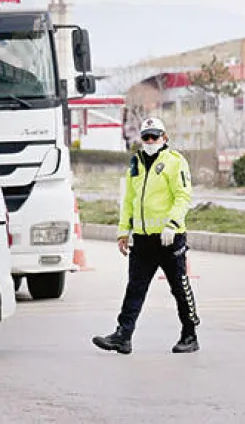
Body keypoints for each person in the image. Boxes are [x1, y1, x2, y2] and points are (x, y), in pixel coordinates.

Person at [93, 117, 200, 355]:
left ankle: (190, 334)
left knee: (179, 287)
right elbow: (129, 200)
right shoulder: (136, 163)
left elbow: (183, 196)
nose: (150, 141)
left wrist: (172, 224)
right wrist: (123, 232)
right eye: (146, 137)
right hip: (142, 239)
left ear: (164, 138)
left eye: (155, 136)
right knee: (135, 288)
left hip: (169, 238)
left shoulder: (175, 162)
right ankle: (123, 336)